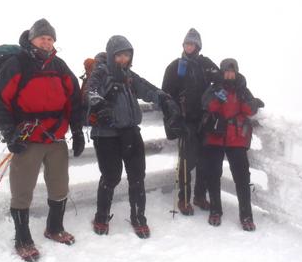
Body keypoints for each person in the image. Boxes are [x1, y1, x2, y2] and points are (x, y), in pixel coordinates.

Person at [0, 18, 85, 262]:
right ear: (32, 39)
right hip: (26, 138)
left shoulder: (60, 66)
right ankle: (22, 238)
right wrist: (10, 134)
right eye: (42, 37)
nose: (46, 41)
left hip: (55, 138)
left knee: (60, 185)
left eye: (50, 38)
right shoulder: (17, 64)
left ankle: (54, 228)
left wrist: (76, 131)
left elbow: (74, 100)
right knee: (22, 190)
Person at [87, 35, 179, 239]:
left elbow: (148, 89)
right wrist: (100, 106)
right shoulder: (100, 72)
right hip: (106, 134)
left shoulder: (129, 76)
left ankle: (139, 217)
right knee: (111, 176)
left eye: (127, 55)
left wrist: (165, 100)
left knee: (137, 176)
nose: (123, 59)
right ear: (111, 56)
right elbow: (90, 92)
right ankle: (101, 216)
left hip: (130, 132)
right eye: (119, 55)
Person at [201, 58, 264, 231]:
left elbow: (249, 111)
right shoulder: (214, 87)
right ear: (222, 72)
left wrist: (253, 102)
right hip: (216, 137)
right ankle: (215, 211)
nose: (229, 74)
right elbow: (207, 105)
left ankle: (246, 216)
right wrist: (219, 96)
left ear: (236, 72)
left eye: (232, 71)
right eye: (226, 71)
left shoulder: (242, 89)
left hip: (236, 139)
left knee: (242, 178)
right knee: (213, 175)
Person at [162, 28, 219, 215]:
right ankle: (184, 199)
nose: (189, 47)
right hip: (185, 120)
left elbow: (221, 80)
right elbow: (165, 95)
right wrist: (173, 118)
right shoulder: (175, 67)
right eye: (187, 43)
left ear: (198, 46)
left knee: (204, 159)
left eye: (193, 44)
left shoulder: (205, 64)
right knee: (186, 161)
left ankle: (199, 196)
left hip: (204, 120)